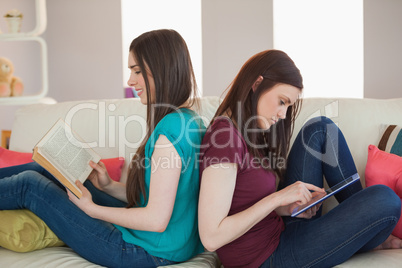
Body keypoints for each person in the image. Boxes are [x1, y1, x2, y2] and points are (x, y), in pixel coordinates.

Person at [0, 29, 205, 268]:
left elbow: (156, 219)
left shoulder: (169, 134)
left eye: (137, 71)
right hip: (165, 243)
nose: (130, 81)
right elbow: (163, 197)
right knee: (48, 169)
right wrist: (109, 186)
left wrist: (92, 209)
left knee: (30, 185)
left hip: (143, 250)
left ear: (163, 69)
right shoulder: (189, 120)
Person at [198, 49, 402, 268]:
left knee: (320, 129)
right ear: (257, 84)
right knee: (385, 199)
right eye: (282, 101)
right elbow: (211, 237)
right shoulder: (225, 139)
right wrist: (277, 198)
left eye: (289, 106)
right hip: (267, 258)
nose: (283, 114)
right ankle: (368, 233)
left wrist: (287, 207)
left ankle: (364, 230)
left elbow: (241, 202)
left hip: (280, 230)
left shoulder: (246, 130)